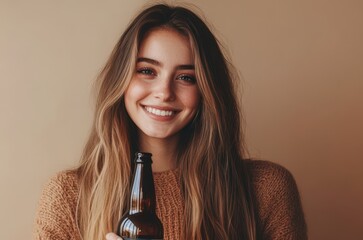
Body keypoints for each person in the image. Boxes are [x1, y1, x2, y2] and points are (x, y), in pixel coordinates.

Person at [33, 3, 307, 240]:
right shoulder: (67, 198)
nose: (164, 92)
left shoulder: (266, 190)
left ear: (207, 91)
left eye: (186, 77)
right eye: (147, 71)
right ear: (122, 80)